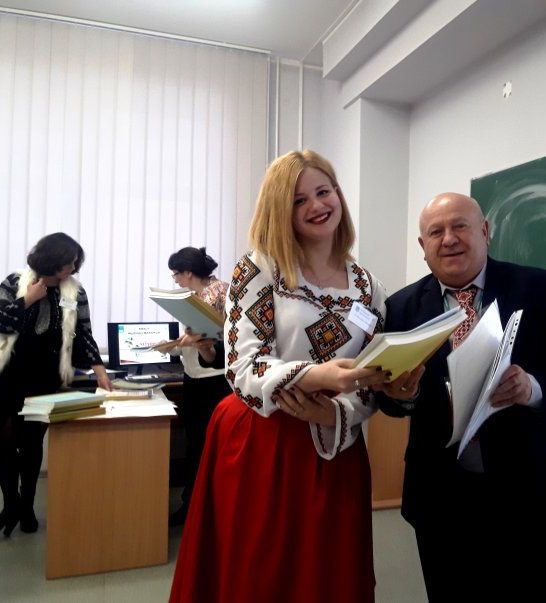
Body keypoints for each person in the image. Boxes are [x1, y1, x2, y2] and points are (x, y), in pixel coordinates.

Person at [169, 150, 390, 603]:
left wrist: (338, 413)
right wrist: (315, 376)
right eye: (298, 200)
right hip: (263, 440)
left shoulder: (368, 285)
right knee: (260, 575)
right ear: (279, 210)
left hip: (336, 445)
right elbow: (242, 366)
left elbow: (373, 375)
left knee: (329, 574)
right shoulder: (259, 270)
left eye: (323, 192)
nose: (317, 206)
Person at [376, 193, 546, 602]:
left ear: (484, 231)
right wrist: (402, 396)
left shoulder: (539, 288)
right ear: (423, 246)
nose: (449, 239)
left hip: (525, 488)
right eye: (436, 232)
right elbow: (390, 400)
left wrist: (532, 388)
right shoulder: (401, 307)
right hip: (439, 492)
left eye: (460, 226)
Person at [0, 232, 113, 537]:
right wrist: (28, 299)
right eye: (69, 263)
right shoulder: (14, 282)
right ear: (52, 261)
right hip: (7, 375)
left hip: (44, 377)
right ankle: (10, 504)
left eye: (75, 263)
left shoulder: (75, 291)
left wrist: (99, 370)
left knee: (31, 444)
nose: (74, 269)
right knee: (3, 441)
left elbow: (83, 333)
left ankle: (27, 506)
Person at [162, 247, 231, 526]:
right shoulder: (201, 295)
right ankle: (195, 506)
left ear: (188, 273)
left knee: (201, 446)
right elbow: (195, 338)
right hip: (197, 375)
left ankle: (194, 508)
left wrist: (185, 343)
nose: (175, 280)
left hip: (213, 379)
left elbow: (214, 340)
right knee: (197, 444)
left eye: (176, 274)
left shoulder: (214, 294)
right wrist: (174, 346)